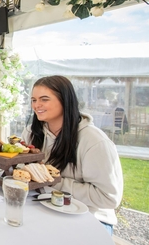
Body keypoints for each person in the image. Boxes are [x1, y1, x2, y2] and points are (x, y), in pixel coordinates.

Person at [21, 75, 123, 234]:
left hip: (91, 218)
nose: (37, 105)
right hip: (45, 208)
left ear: (65, 100)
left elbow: (108, 197)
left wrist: (50, 181)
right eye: (33, 100)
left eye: (44, 99)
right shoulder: (31, 133)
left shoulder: (94, 142)